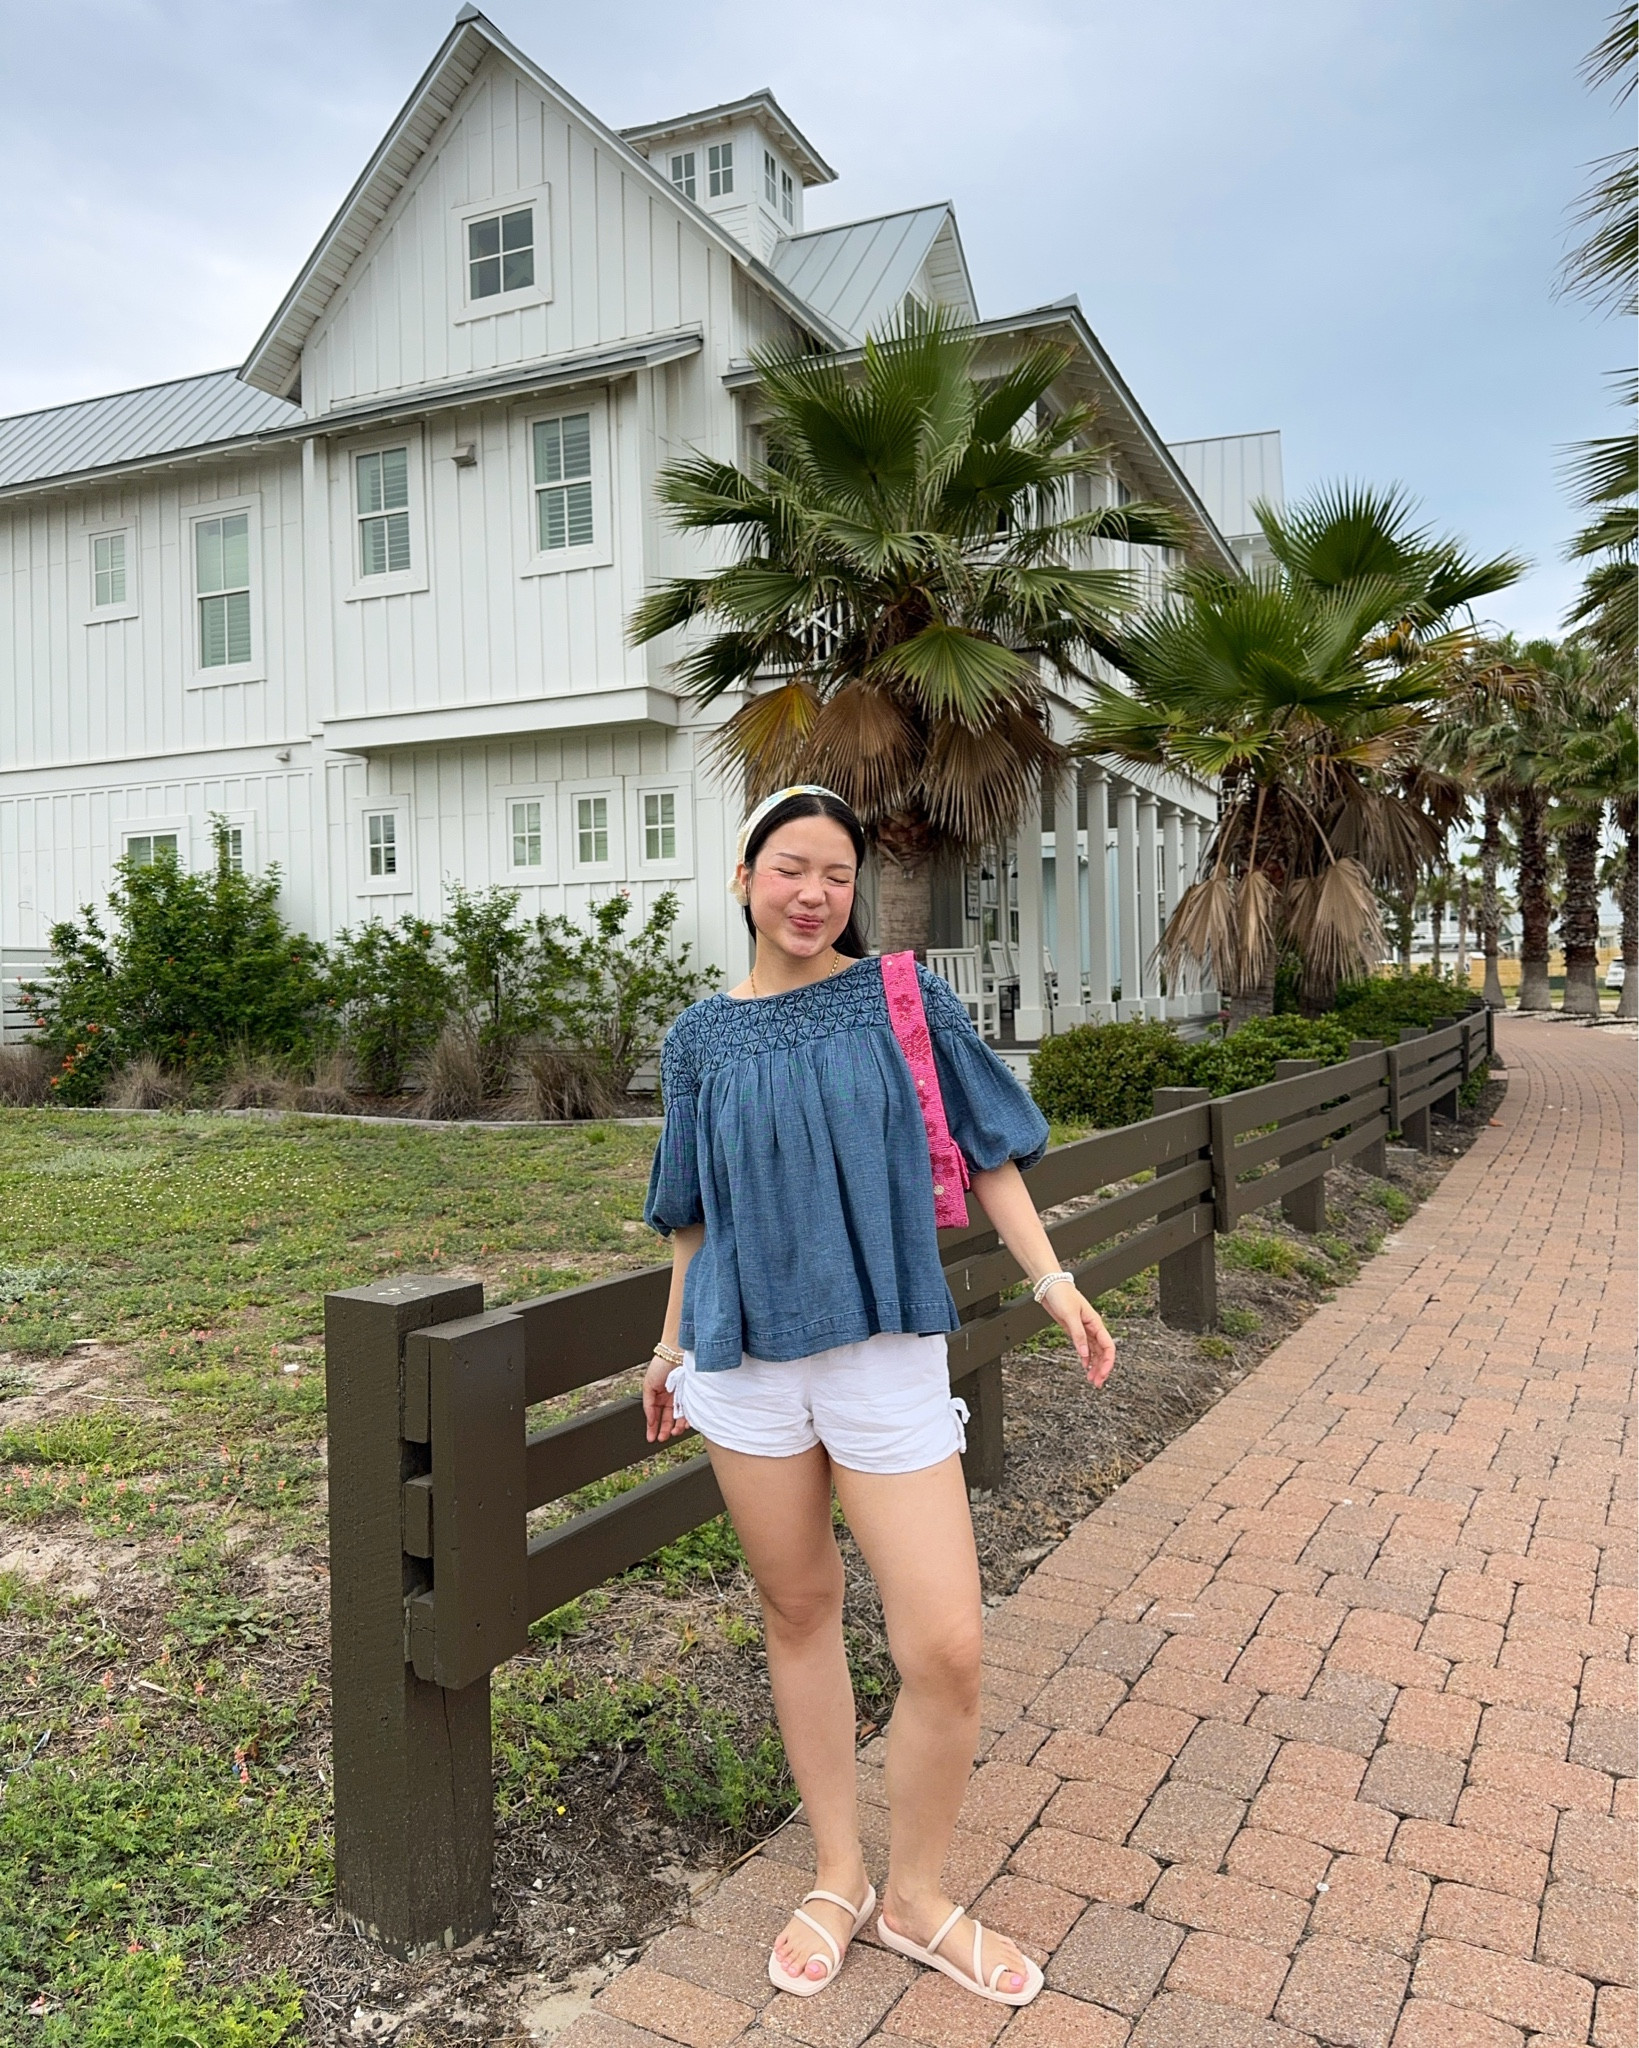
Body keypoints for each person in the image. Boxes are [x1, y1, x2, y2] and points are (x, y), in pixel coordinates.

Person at [641, 785, 1115, 2008]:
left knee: (945, 1645)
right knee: (797, 1610)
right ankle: (841, 1871)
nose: (813, 892)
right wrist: (666, 1348)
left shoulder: (901, 995)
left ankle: (918, 1892)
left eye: (836, 874)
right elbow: (692, 1215)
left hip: (883, 1352)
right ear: (743, 874)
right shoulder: (696, 1037)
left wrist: (1053, 1279)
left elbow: (991, 1147)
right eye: (790, 866)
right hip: (743, 1365)